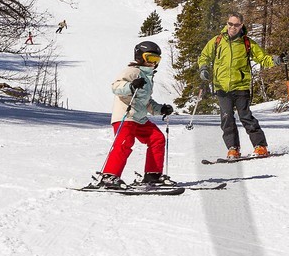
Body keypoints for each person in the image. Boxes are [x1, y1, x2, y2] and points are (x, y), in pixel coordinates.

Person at [88, 40, 176, 190]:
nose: (153, 63)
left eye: (156, 60)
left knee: (157, 138)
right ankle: (109, 176)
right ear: (140, 57)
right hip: (125, 116)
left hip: (139, 118)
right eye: (150, 58)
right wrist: (130, 85)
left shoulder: (148, 78)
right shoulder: (132, 71)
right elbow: (115, 87)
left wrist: (161, 109)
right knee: (124, 143)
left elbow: (147, 102)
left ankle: (152, 174)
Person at [197, 14, 275, 159]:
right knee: (227, 118)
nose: (233, 27)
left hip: (241, 86)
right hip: (222, 87)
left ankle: (260, 146)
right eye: (230, 24)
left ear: (241, 25)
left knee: (245, 117)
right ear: (227, 24)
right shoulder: (217, 41)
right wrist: (203, 69)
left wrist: (277, 60)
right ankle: (233, 148)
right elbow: (204, 57)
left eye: (236, 25)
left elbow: (263, 58)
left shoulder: (247, 43)